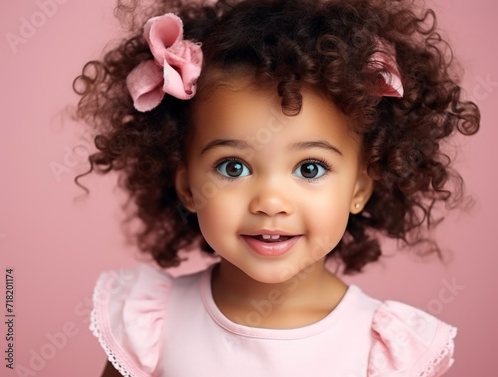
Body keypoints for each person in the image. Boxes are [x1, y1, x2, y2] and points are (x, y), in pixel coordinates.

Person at [72, 0, 480, 376]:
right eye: (233, 167)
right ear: (188, 186)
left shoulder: (386, 353)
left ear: (359, 187)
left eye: (309, 168)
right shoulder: (153, 324)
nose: (270, 202)